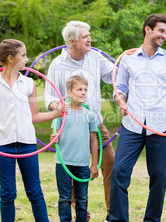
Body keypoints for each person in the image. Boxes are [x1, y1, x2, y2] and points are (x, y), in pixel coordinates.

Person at [0, 39, 67, 222]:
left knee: (34, 190)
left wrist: (57, 114)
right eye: (23, 55)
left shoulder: (29, 84)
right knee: (8, 192)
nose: (27, 59)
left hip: (27, 144)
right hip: (3, 145)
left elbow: (33, 116)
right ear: (11, 58)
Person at [110, 13, 166, 222]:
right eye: (161, 30)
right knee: (118, 172)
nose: (164, 35)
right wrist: (121, 102)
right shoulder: (128, 59)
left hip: (161, 127)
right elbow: (120, 88)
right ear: (148, 30)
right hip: (132, 126)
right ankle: (117, 219)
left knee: (159, 178)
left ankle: (152, 220)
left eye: (165, 32)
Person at [44, 21, 115, 221]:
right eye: (85, 36)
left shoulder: (95, 57)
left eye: (89, 35)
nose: (89, 39)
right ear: (72, 40)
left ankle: (112, 214)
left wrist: (128, 62)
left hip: (94, 122)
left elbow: (113, 75)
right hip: (70, 123)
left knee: (110, 164)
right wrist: (59, 107)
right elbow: (49, 98)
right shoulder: (58, 64)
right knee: (71, 168)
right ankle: (80, 214)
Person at [50, 75, 99, 222]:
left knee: (82, 199)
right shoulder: (61, 113)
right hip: (63, 162)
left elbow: (94, 140)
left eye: (85, 89)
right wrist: (54, 139)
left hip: (82, 163)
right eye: (79, 89)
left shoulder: (89, 115)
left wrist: (94, 164)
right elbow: (55, 136)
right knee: (64, 198)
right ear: (69, 93)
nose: (83, 92)